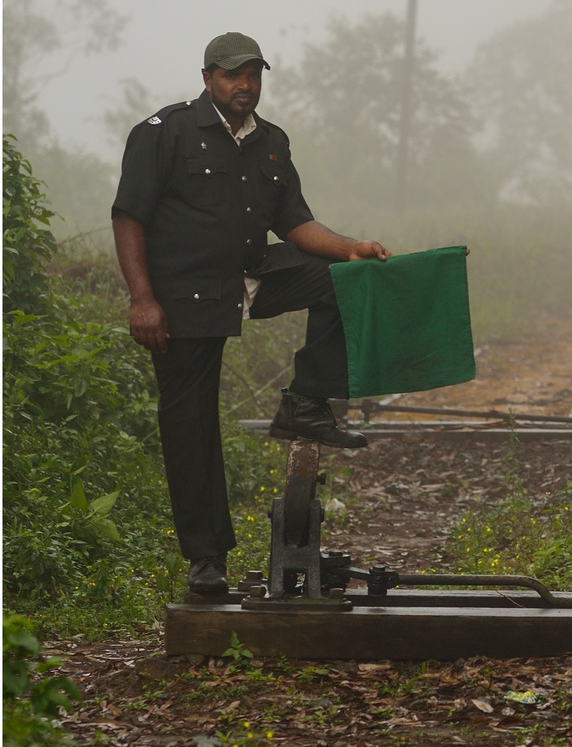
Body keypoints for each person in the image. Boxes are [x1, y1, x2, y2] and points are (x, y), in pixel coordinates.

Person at [112, 32, 391, 595]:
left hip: (250, 277)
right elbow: (128, 216)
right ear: (208, 77)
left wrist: (351, 247)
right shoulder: (163, 133)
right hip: (184, 295)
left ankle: (307, 403)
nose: (246, 85)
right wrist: (143, 299)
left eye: (254, 75)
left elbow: (295, 224)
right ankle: (206, 561)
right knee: (189, 428)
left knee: (344, 281)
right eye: (233, 75)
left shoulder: (270, 142)